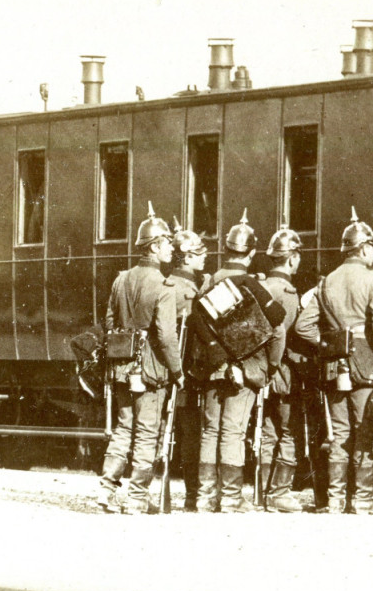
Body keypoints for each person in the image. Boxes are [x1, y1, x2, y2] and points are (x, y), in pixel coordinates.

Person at [195, 211, 285, 513]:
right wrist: (269, 367)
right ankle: (231, 498)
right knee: (233, 431)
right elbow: (277, 321)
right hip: (245, 368)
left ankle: (206, 497)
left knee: (210, 430)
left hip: (213, 366)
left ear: (227, 249)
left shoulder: (208, 283)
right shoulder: (250, 283)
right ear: (251, 252)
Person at [98, 203, 182, 514]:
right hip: (151, 369)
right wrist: (178, 371)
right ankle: (136, 498)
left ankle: (106, 490)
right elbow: (167, 337)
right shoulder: (164, 286)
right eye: (168, 244)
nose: (172, 249)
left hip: (121, 366)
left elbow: (109, 322)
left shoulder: (121, 279)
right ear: (156, 246)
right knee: (147, 431)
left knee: (123, 428)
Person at [295, 207, 373, 514]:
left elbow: (303, 326)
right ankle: (364, 500)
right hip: (367, 362)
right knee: (366, 430)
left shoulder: (325, 282)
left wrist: (328, 343)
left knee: (339, 432)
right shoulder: (370, 278)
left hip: (333, 364)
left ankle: (337, 499)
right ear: (365, 247)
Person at [258, 226, 305, 512]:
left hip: (260, 370)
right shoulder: (288, 292)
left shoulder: (262, 286)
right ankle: (280, 492)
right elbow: (286, 334)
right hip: (283, 372)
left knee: (268, 431)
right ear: (291, 259)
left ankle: (265, 490)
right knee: (289, 430)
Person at [169, 222, 210, 511]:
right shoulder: (186, 290)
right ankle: (191, 496)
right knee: (189, 434)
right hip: (186, 372)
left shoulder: (175, 283)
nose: (204, 256)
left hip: (172, 370)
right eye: (199, 252)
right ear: (187, 256)